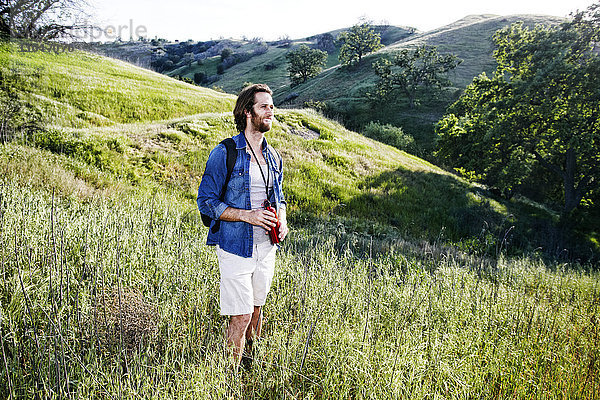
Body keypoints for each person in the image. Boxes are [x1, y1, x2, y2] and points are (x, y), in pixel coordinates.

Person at [197, 83, 288, 367]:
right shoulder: (225, 152)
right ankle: (230, 378)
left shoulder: (273, 156)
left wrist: (282, 219)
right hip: (235, 247)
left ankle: (250, 366)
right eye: (264, 106)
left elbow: (279, 197)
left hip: (266, 247)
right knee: (242, 314)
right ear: (248, 112)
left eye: (272, 106)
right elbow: (206, 201)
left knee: (258, 310)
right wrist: (246, 215)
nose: (270, 110)